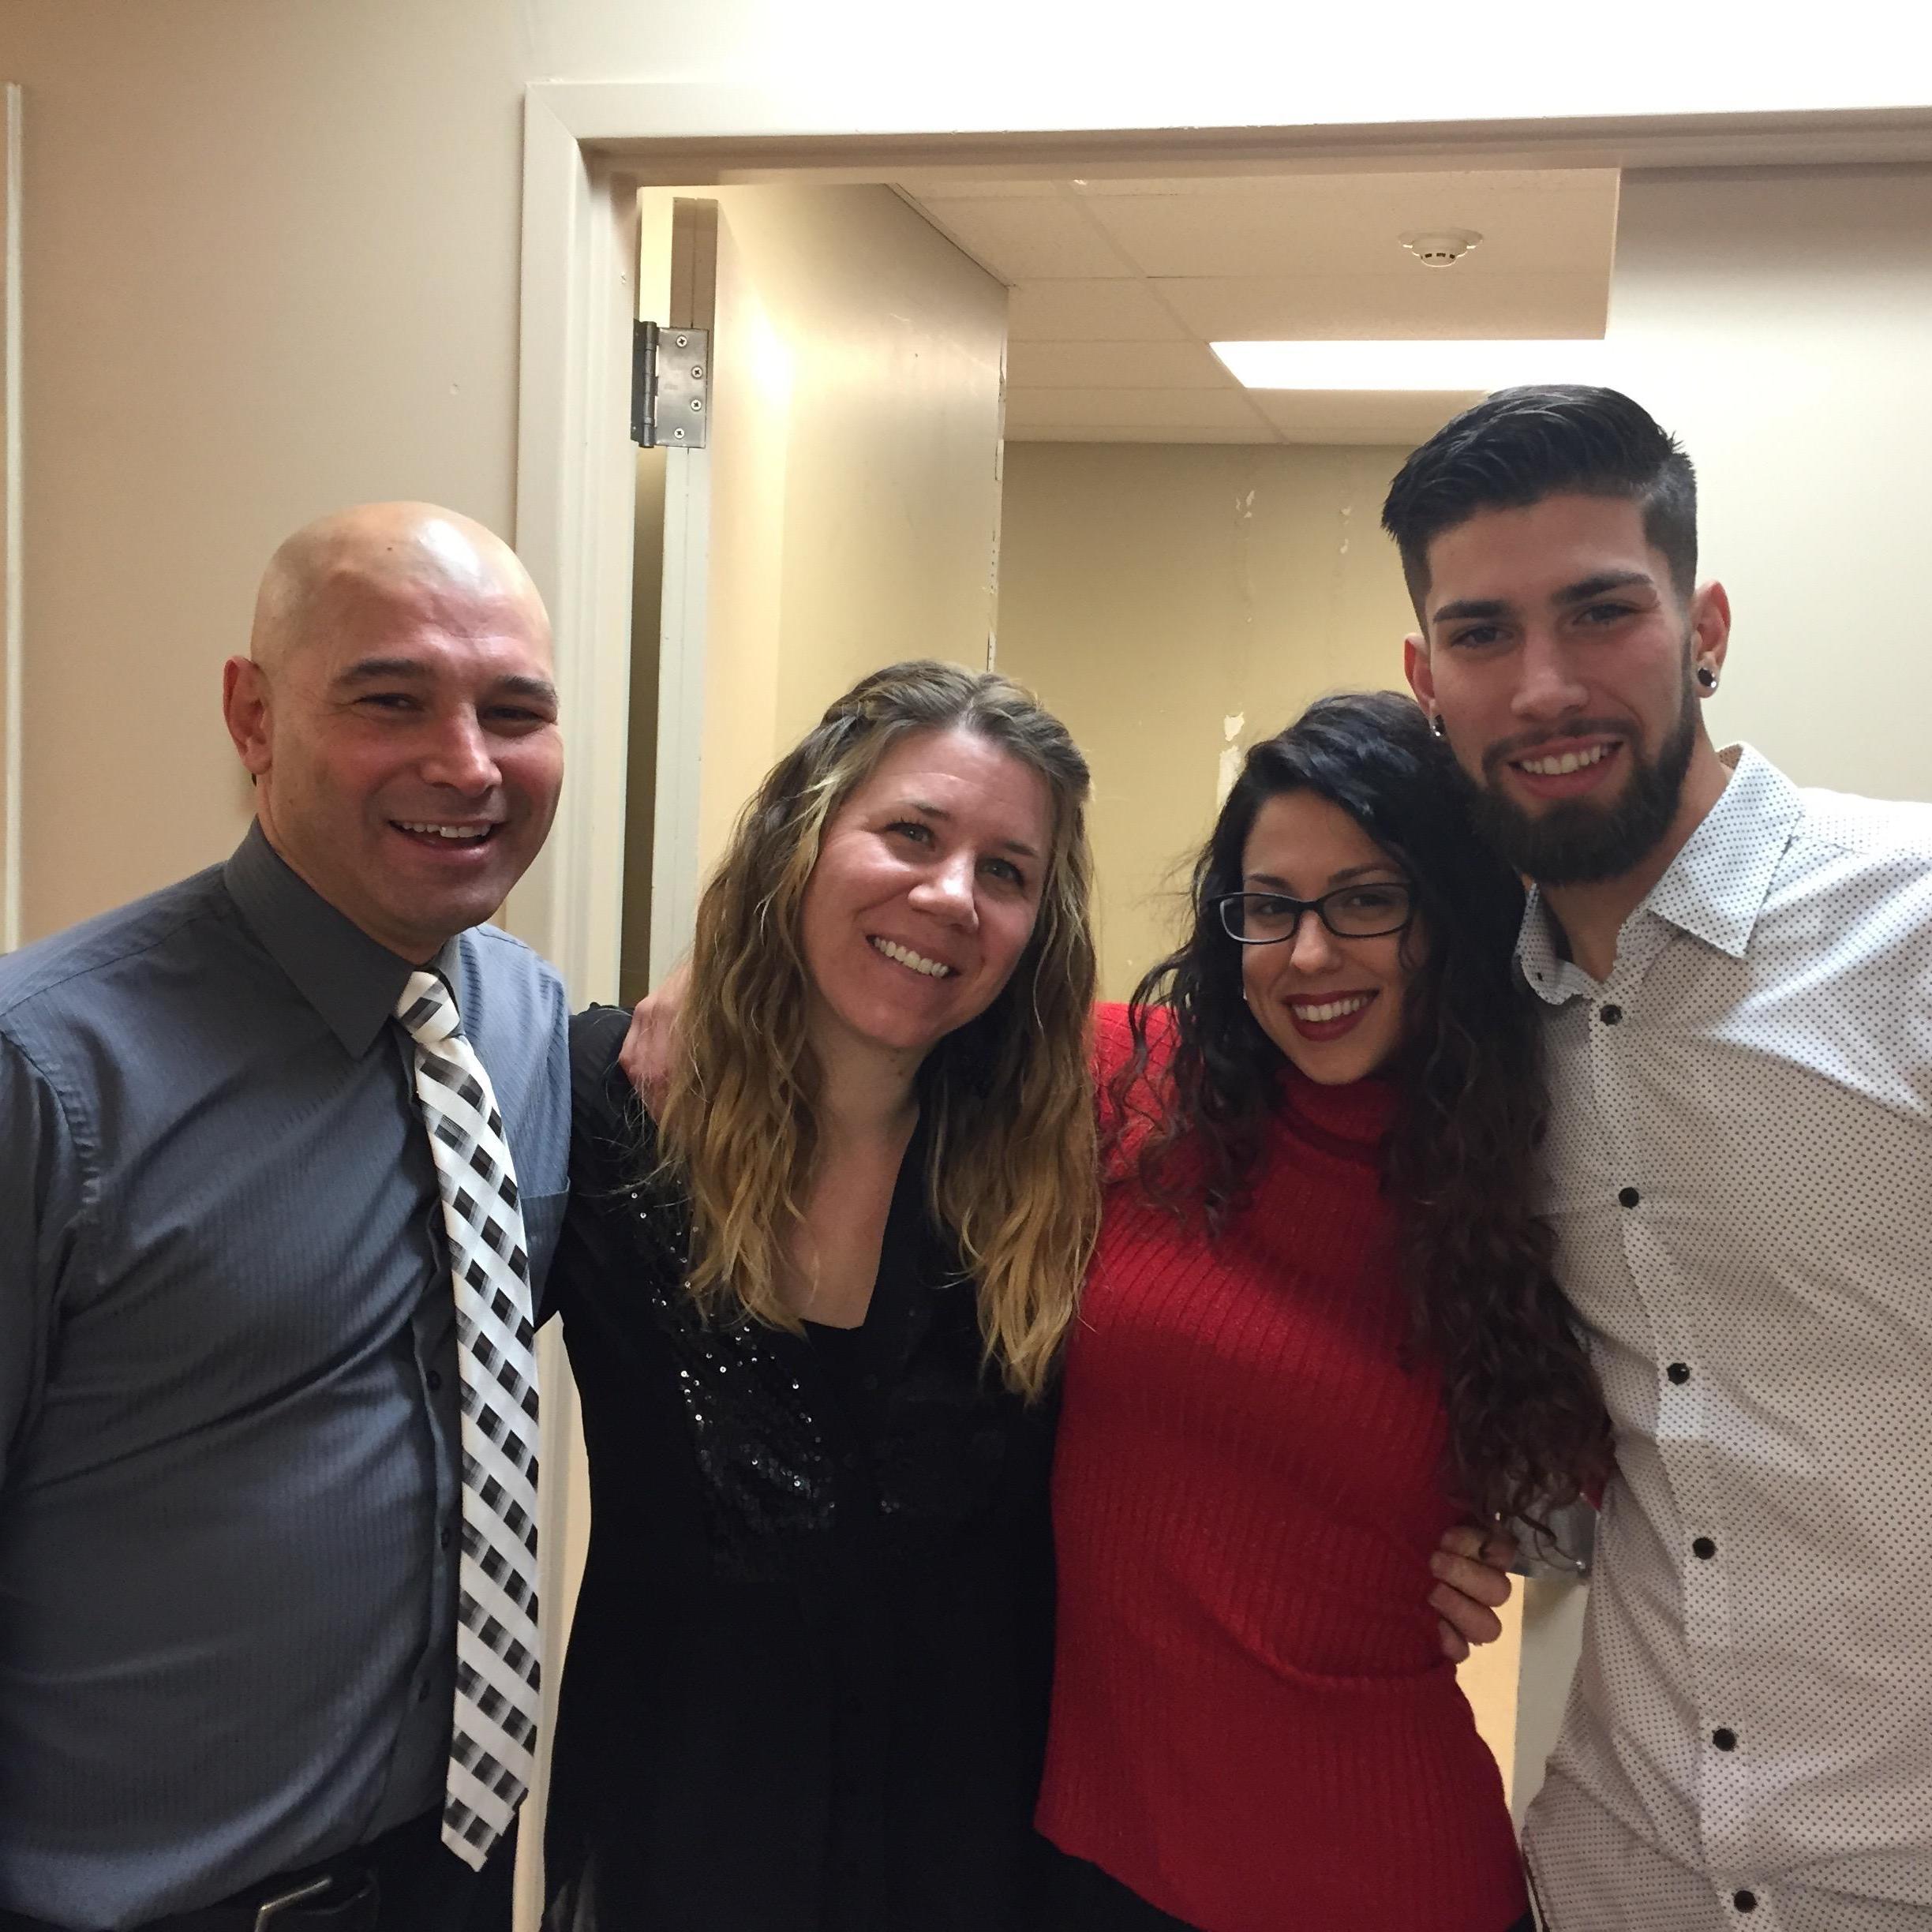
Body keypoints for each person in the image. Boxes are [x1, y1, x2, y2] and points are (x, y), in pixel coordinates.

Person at [1386, 384, 1932, 1931]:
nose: (1545, 683)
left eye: (1601, 613)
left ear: (1705, 625)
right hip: (1619, 1866)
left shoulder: (1912, 925)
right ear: (1428, 679)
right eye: (1485, 634)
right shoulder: (1473, 1008)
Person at [0, 504, 570, 1932]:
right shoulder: (49, 1074)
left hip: (451, 1879)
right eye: (391, 699)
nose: (467, 763)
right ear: (252, 715)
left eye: (516, 711)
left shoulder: (526, 1020)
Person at [1032, 691, 1608, 1932]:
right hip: (1095, 1859)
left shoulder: (1527, 1182)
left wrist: (1509, 1529)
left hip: (1384, 1874)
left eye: (1365, 901)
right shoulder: (1120, 1083)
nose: (1307, 956)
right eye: (1270, 907)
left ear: (1446, 913)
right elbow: (874, 1027)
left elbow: (1664, 1469)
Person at [541, 661, 1101, 1932]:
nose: (950, 896)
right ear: (803, 839)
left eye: (1005, 872)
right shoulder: (604, 1111)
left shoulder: (1069, 1169)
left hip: (971, 1865)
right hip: (678, 1847)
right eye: (910, 832)